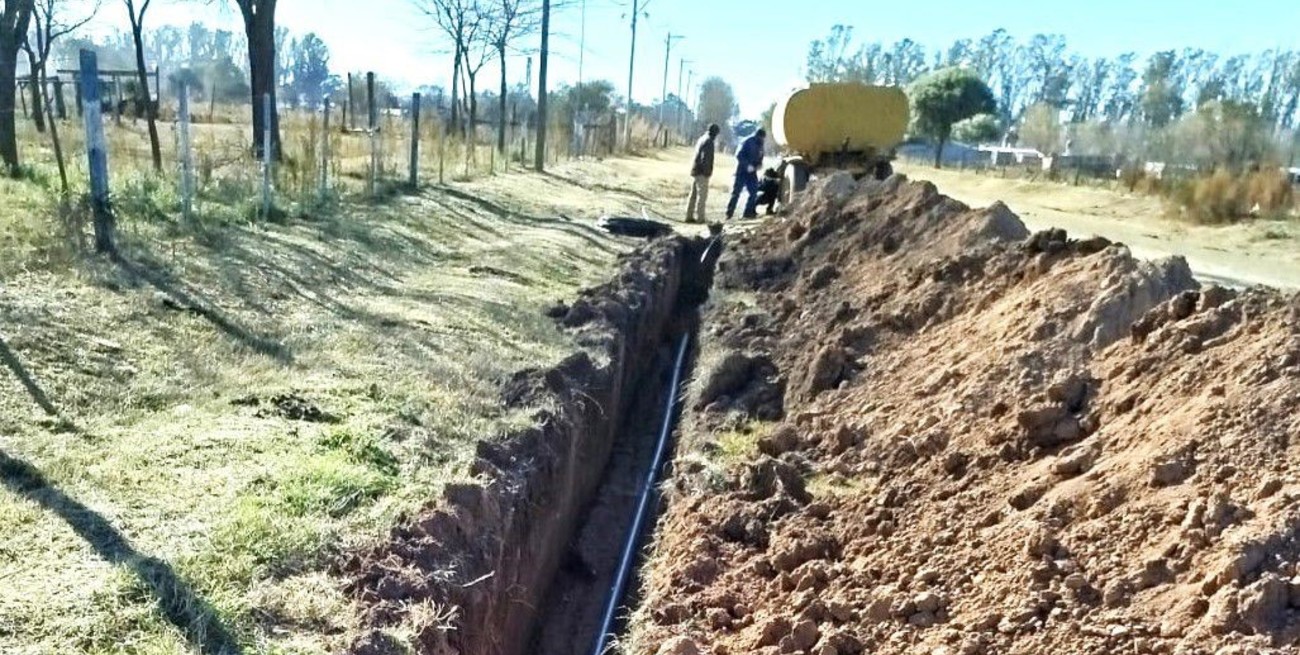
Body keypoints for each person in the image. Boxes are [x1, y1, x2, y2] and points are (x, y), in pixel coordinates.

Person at [726, 128, 766, 220]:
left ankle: (748, 213)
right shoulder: (747, 141)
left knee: (753, 192)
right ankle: (729, 213)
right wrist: (747, 165)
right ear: (758, 136)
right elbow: (739, 154)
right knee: (736, 193)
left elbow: (760, 156)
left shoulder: (761, 144)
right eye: (762, 138)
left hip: (752, 173)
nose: (763, 139)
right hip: (742, 171)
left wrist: (759, 164)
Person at [685, 124, 721, 223]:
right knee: (702, 195)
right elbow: (705, 158)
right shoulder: (709, 141)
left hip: (696, 170)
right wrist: (706, 172)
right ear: (715, 133)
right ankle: (700, 218)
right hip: (702, 172)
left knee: (693, 195)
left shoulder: (702, 138)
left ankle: (689, 216)